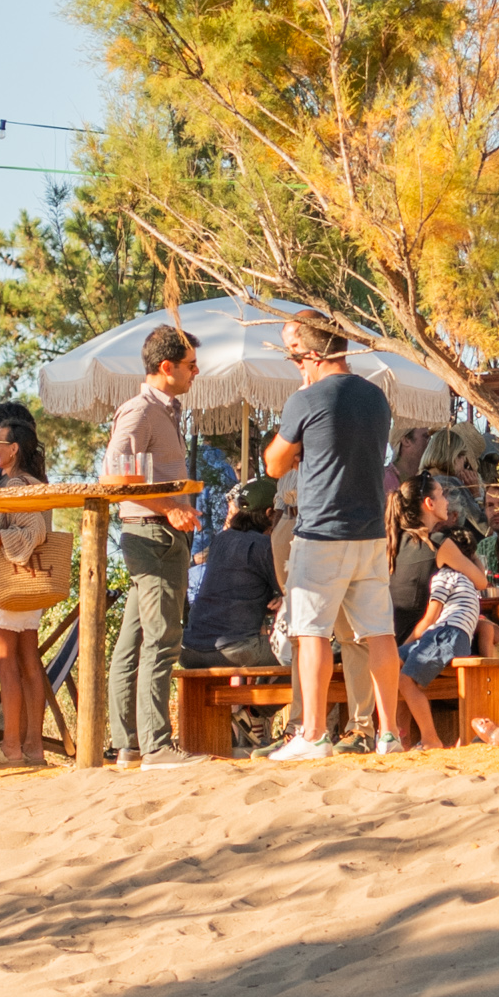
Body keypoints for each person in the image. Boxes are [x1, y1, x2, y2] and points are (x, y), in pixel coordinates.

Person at [261, 317, 402, 759]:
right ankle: (389, 734)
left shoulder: (307, 398)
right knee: (378, 632)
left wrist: (299, 441)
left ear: (311, 353)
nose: (292, 361)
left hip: (321, 531)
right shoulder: (377, 397)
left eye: (292, 351)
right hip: (369, 531)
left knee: (312, 633)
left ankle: (315, 733)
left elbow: (274, 466)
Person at [105, 326, 204, 770]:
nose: (195, 372)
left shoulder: (161, 411)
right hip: (154, 534)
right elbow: (114, 479)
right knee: (161, 639)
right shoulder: (141, 411)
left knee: (135, 638)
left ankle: (129, 744)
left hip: (153, 534)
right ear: (166, 367)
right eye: (189, 365)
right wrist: (170, 510)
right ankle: (156, 747)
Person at [0, 402, 67, 768]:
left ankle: (10, 746)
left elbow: (32, 533)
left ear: (13, 449)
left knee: (5, 664)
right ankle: (32, 746)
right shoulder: (37, 483)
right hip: (34, 585)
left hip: (9, 582)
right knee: (29, 664)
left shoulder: (15, 485)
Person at [394, 475, 491, 748]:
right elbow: (481, 582)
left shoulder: (396, 540)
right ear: (429, 503)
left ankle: (401, 736)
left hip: (396, 628)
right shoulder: (438, 543)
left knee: (399, 672)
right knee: (496, 637)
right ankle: (435, 737)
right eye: (442, 495)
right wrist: (474, 559)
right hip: (428, 629)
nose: (447, 501)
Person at [183, 474, 288, 669]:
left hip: (190, 649)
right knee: (301, 650)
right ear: (269, 513)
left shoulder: (221, 539)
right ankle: (273, 700)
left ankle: (253, 700)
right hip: (234, 649)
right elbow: (290, 590)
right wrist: (285, 596)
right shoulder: (264, 545)